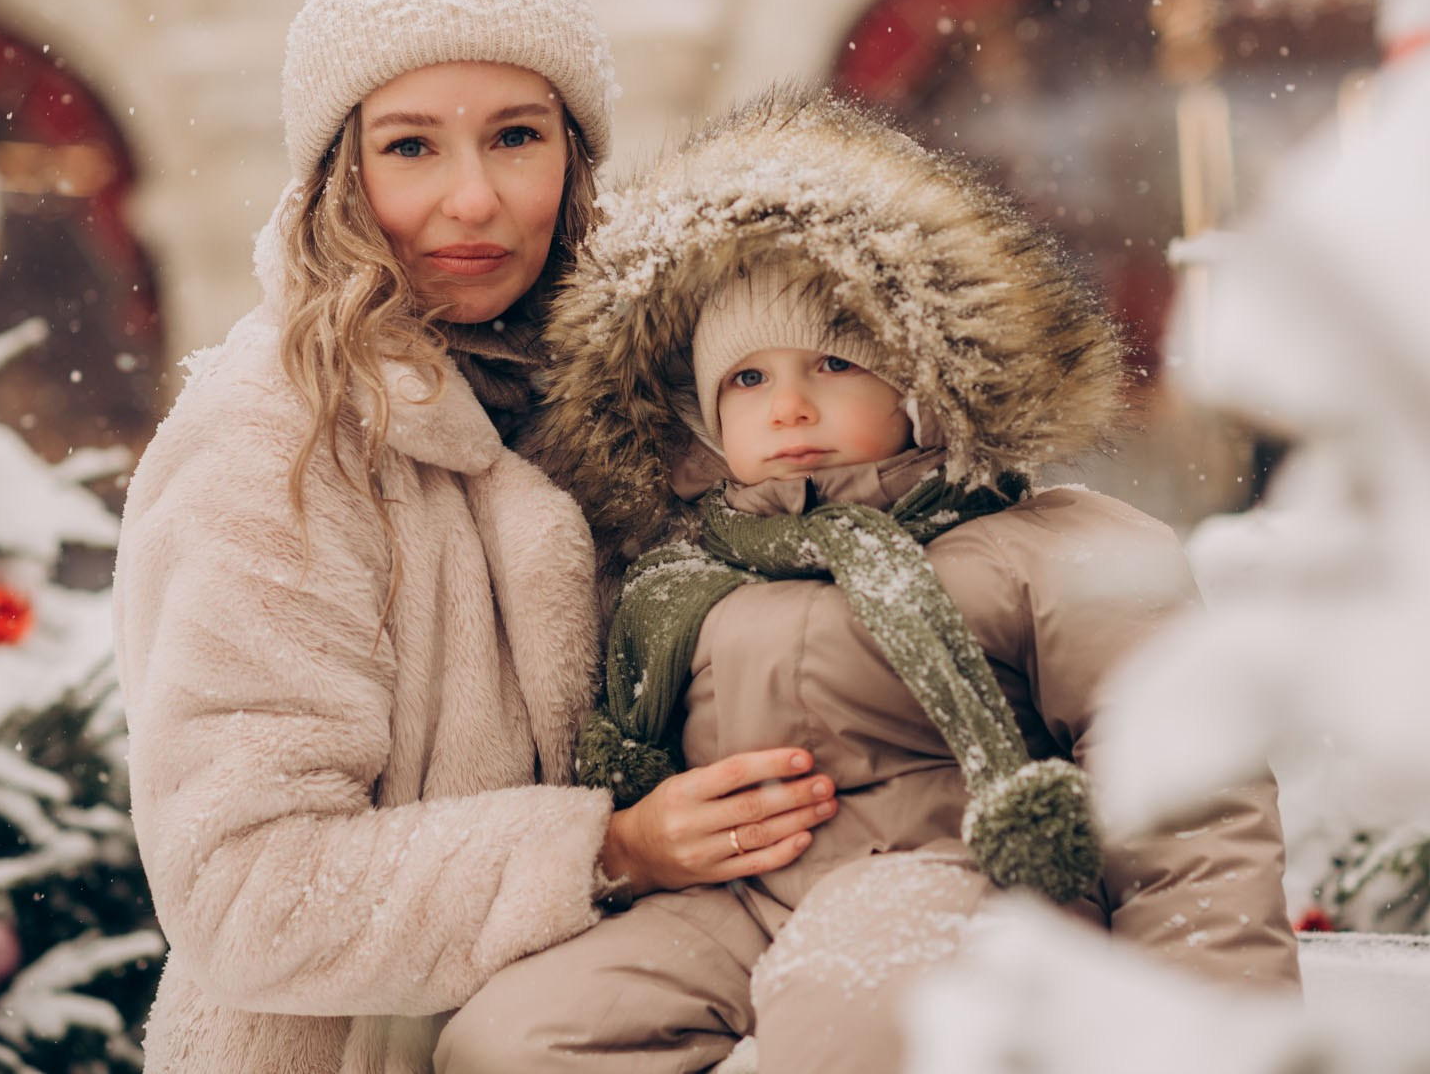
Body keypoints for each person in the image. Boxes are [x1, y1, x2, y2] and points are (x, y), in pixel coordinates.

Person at [110, 0, 833, 1074]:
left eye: (515, 135)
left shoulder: (674, 398)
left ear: (575, 151)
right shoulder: (275, 437)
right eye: (409, 146)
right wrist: (603, 851)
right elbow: (244, 890)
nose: (472, 201)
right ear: (339, 171)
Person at [437, 87, 1300, 1074]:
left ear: (916, 380)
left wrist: (1224, 1030)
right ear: (704, 418)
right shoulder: (681, 577)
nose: (788, 404)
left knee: (848, 1018)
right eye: (747, 380)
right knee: (511, 1040)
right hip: (735, 900)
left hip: (955, 886)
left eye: (833, 365)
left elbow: (1190, 803)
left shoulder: (1039, 545)